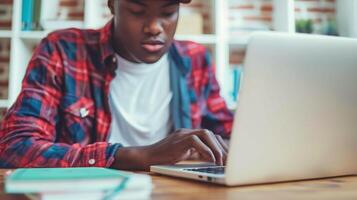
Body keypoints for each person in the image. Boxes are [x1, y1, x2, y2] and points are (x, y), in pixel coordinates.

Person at [0, 0, 233, 170]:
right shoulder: (62, 50)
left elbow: (228, 133)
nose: (154, 27)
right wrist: (140, 156)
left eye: (168, 12)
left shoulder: (195, 59)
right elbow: (15, 148)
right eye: (137, 11)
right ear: (112, 5)